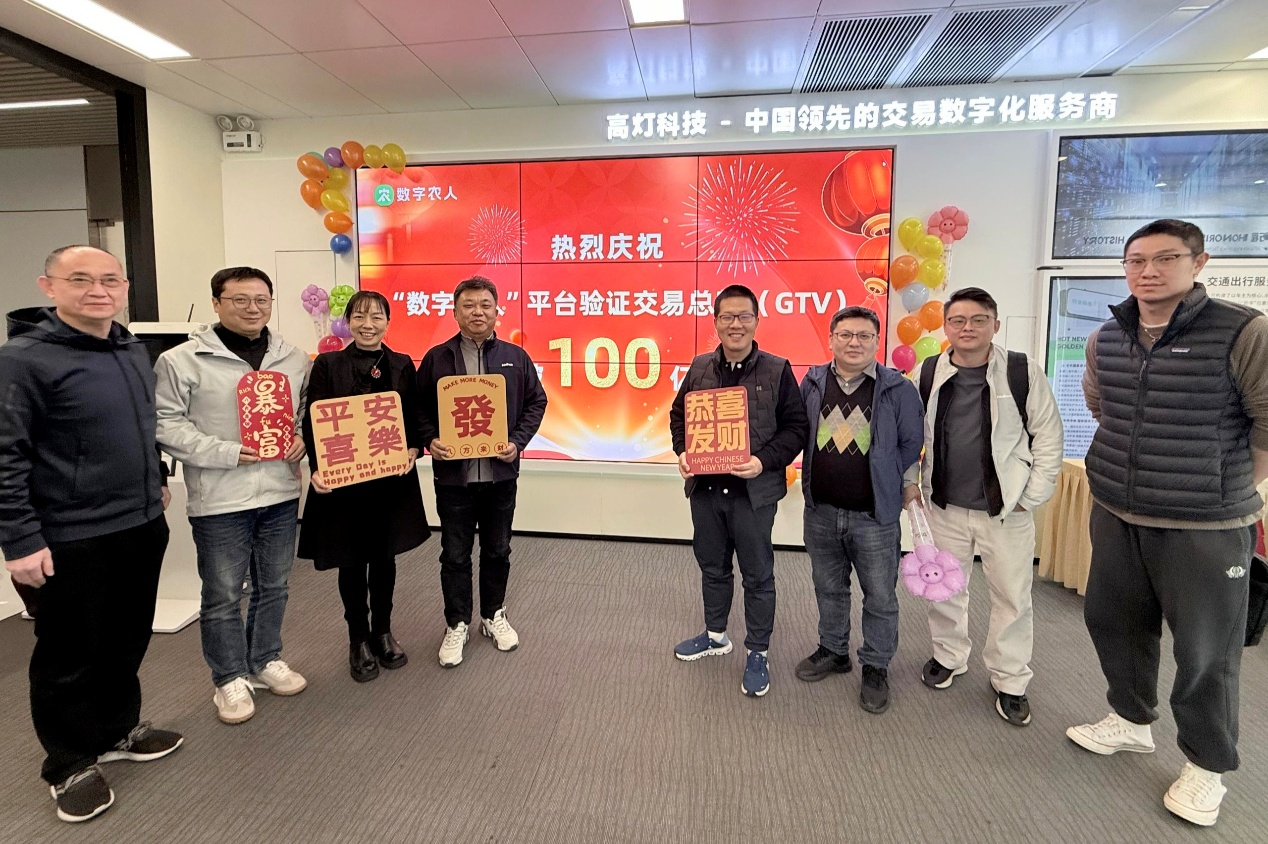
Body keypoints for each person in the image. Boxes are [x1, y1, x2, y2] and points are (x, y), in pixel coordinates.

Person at [1067, 219, 1268, 827]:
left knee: (1205, 650)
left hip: (1205, 524)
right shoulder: (1107, 336)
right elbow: (1102, 406)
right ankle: (1131, 720)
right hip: (1118, 510)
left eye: (1164, 258)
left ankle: (1207, 764)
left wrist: (1228, 483)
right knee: (1114, 622)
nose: (1148, 271)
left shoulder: (1244, 331)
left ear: (1198, 262)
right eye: (1135, 261)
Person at [0, 246, 180, 823]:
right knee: (69, 653)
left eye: (109, 280)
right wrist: (19, 539)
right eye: (80, 279)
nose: (97, 290)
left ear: (124, 288)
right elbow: (6, 455)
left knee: (126, 638)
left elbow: (140, 427)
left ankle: (117, 730)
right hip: (70, 534)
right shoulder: (22, 361)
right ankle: (69, 761)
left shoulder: (128, 347)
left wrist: (155, 479)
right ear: (48, 286)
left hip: (140, 523)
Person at [155, 266, 311, 724]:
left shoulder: (292, 358)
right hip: (221, 497)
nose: (252, 308)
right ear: (216, 303)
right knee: (223, 593)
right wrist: (223, 452)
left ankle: (265, 659)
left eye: (261, 299)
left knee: (275, 586)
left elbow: (304, 410)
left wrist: (302, 437)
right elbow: (165, 423)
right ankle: (228, 677)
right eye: (240, 299)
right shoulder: (181, 360)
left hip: (279, 491)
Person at [910, 286, 1063, 726]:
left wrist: (1030, 497)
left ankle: (1010, 679)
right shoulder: (928, 372)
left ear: (994, 325)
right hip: (944, 506)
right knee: (944, 588)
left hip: (1005, 510)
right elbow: (911, 435)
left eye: (978, 320)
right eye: (958, 320)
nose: (968, 328)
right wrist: (913, 485)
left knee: (1012, 597)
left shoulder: (1021, 371)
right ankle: (949, 656)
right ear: (946, 326)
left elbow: (1048, 435)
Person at [670, 284, 809, 697]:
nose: (736, 324)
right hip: (706, 489)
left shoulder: (777, 369)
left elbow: (797, 429)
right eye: (727, 316)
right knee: (712, 566)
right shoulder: (699, 367)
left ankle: (758, 651)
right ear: (715, 322)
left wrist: (763, 461)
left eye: (744, 316)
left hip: (754, 493)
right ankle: (716, 635)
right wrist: (682, 451)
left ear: (756, 321)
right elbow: (678, 416)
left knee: (757, 574)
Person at [298, 291, 430, 682]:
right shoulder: (327, 364)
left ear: (388, 322)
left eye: (376, 317)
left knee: (385, 557)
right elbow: (313, 420)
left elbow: (413, 414)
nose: (367, 325)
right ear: (348, 321)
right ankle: (357, 637)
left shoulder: (402, 364)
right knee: (351, 560)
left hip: (388, 479)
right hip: (344, 481)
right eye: (359, 316)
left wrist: (414, 447)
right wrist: (318, 468)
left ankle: (382, 631)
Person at [797, 306, 924, 714]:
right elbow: (797, 431)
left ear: (876, 342)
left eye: (864, 336)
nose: (854, 342)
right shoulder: (812, 382)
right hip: (821, 511)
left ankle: (876, 665)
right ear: (831, 339)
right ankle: (834, 650)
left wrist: (903, 483)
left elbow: (910, 444)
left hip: (874, 516)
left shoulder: (898, 389)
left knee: (880, 596)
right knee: (828, 587)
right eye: (846, 335)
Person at [418, 276, 547, 667]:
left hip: (500, 476)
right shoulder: (437, 358)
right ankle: (456, 622)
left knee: (498, 549)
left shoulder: (515, 357)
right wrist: (430, 439)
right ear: (455, 312)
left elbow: (536, 402)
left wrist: (517, 442)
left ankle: (493, 615)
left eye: (485, 305)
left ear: (496, 310)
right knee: (455, 553)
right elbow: (419, 408)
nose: (477, 312)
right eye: (469, 305)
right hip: (453, 479)